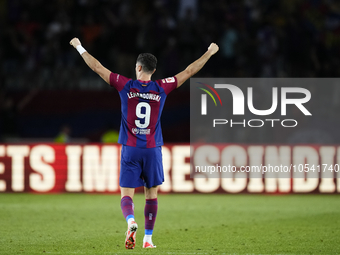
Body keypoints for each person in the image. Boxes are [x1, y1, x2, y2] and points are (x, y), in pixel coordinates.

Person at [70, 37, 219, 249]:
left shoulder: (125, 85)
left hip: (130, 148)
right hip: (152, 149)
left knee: (126, 193)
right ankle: (148, 239)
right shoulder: (161, 87)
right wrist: (209, 52)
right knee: (151, 194)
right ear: (154, 70)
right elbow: (189, 71)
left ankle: (131, 221)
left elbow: (96, 67)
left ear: (138, 67)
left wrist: (79, 46)